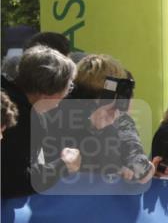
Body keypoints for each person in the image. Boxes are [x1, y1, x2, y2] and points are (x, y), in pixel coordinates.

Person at [46, 54, 158, 185]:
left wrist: (140, 168)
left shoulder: (118, 118)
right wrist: (91, 126)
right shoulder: (58, 109)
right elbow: (55, 157)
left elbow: (138, 164)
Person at [0, 46, 81, 196]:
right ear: (47, 93)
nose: (65, 95)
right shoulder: (18, 120)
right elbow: (15, 181)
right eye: (68, 87)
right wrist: (64, 165)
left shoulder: (11, 97)